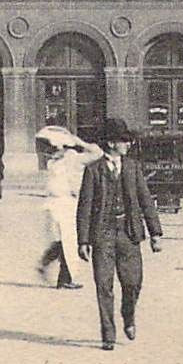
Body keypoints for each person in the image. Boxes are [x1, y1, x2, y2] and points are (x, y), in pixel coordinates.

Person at [76, 119, 162, 351]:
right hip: (102, 234)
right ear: (112, 143)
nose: (128, 144)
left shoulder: (133, 168)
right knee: (104, 284)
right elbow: (84, 207)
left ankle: (128, 315)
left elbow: (146, 200)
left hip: (129, 231)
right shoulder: (93, 170)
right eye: (124, 141)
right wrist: (83, 240)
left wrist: (155, 233)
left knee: (133, 283)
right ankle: (108, 335)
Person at [36, 127, 97, 290]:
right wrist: (80, 142)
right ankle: (60, 274)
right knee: (70, 240)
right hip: (66, 203)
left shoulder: (56, 161)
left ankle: (53, 268)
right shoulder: (70, 159)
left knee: (66, 239)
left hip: (57, 203)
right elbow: (97, 153)